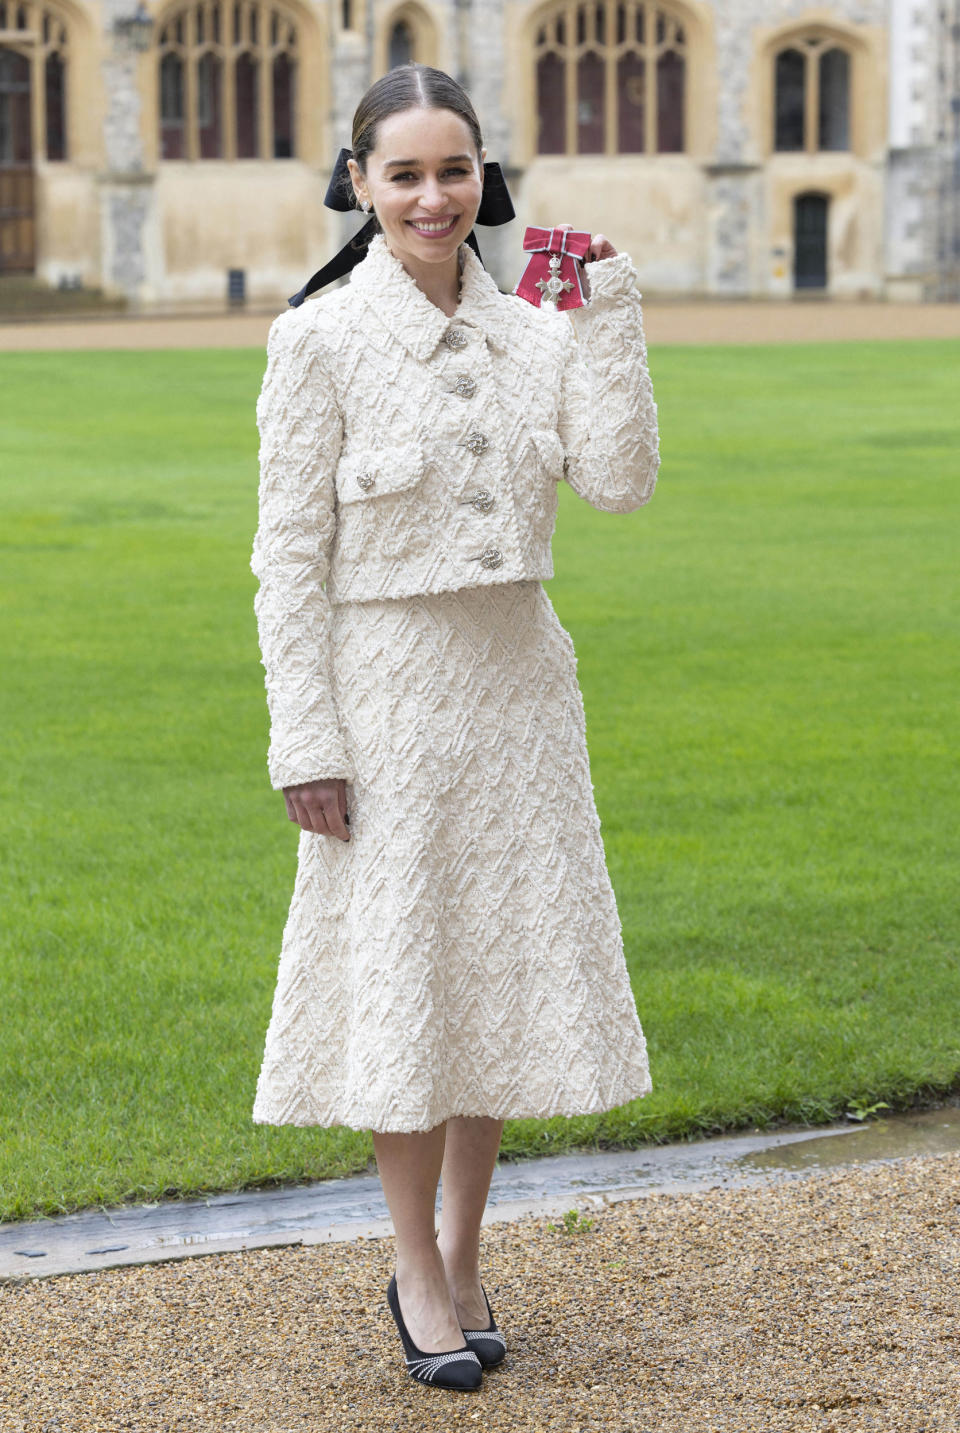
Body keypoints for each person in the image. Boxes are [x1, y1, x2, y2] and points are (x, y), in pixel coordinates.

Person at [250, 63, 660, 1392]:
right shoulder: (315, 341)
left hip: (521, 693)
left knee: (492, 982)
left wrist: (607, 310)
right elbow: (285, 558)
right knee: (407, 985)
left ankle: (466, 1250)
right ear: (359, 184)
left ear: (487, 176)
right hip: (388, 701)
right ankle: (412, 1268)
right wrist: (304, 738)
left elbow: (619, 484)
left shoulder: (538, 328)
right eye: (406, 172)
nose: (435, 194)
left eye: (457, 168)